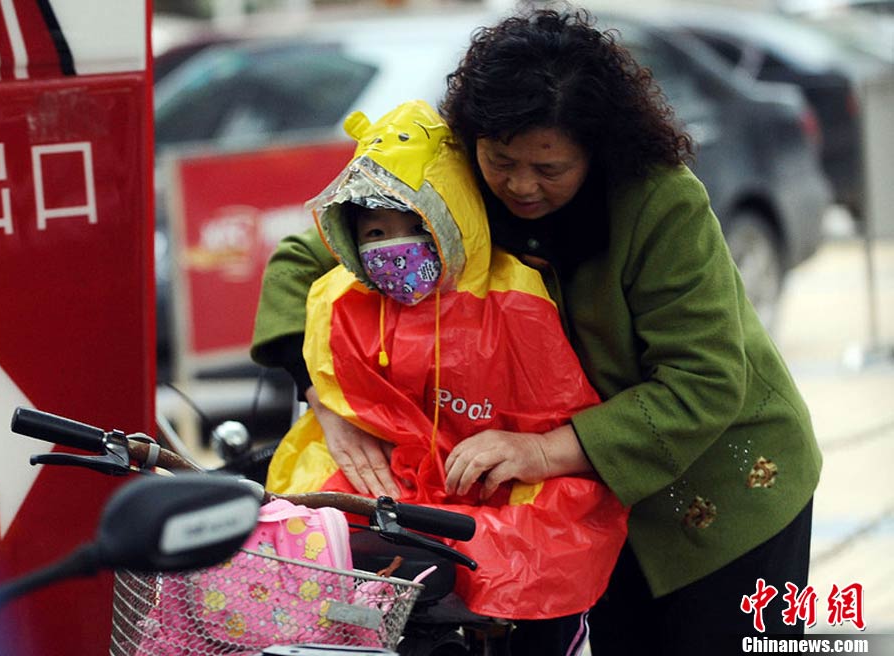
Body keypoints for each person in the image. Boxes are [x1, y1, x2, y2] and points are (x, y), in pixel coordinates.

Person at [252, 8, 822, 654]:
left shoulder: (658, 202)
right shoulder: (449, 178)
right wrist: (330, 404)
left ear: (597, 151)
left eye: (551, 170)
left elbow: (705, 382)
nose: (521, 186)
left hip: (721, 492)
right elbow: (303, 260)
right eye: (502, 161)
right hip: (580, 513)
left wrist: (542, 452)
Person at [258, 99, 628, 653]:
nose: (395, 248)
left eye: (416, 226)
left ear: (455, 213)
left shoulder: (515, 298)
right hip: (389, 485)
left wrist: (533, 455)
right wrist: (328, 405)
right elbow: (301, 281)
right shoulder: (343, 298)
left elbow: (550, 408)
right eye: (375, 232)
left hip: (497, 486)